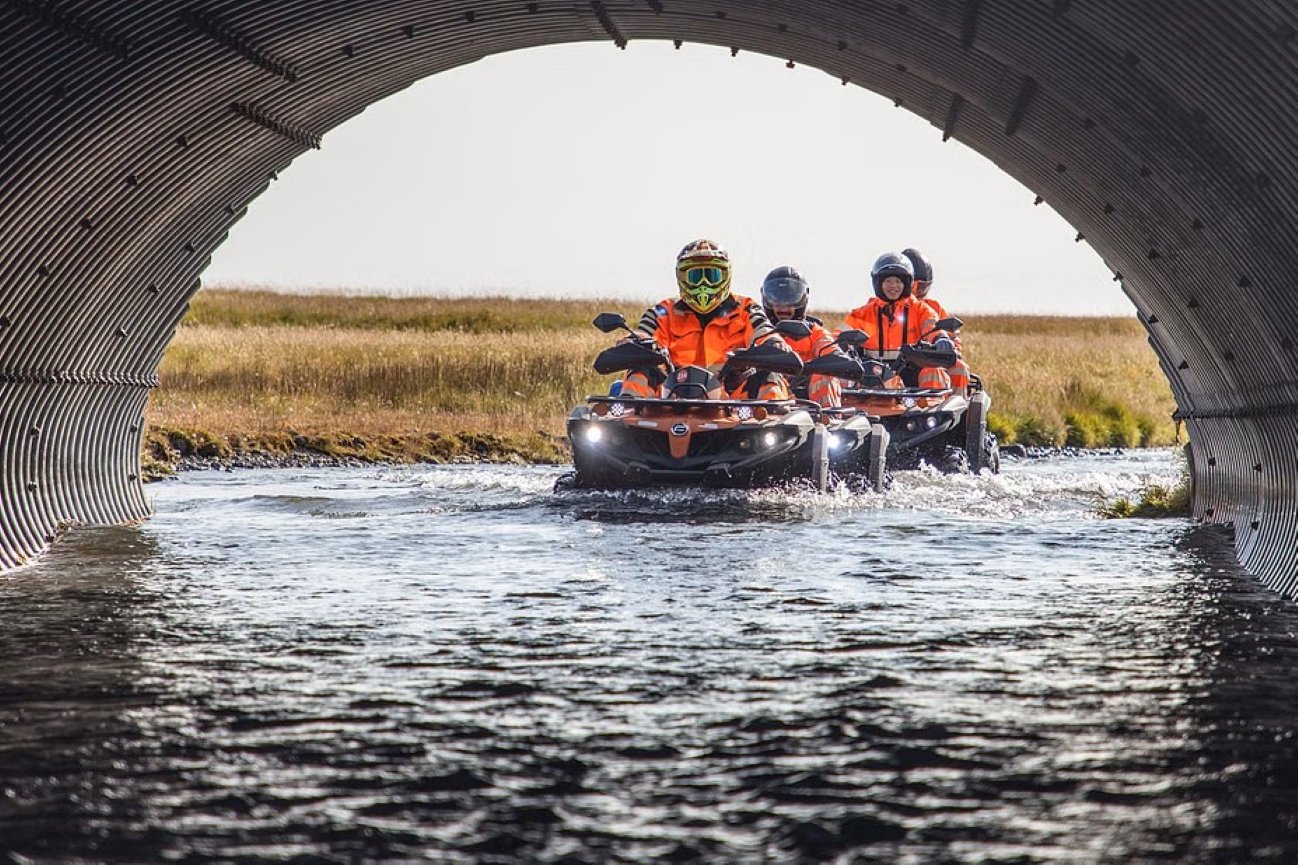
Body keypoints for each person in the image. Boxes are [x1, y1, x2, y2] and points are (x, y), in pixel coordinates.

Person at [618, 239, 790, 399]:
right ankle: (626, 421)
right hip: (671, 396)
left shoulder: (745, 308)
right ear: (682, 278)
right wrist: (630, 343)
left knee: (769, 375)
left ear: (725, 276)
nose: (704, 283)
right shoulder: (663, 311)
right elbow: (643, 333)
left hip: (732, 399)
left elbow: (764, 331)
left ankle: (774, 425)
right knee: (639, 371)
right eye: (695, 276)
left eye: (711, 276)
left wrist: (774, 342)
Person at [839, 252, 952, 391]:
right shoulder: (862, 313)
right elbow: (838, 336)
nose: (893, 286)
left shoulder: (920, 310)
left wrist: (941, 338)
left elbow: (932, 326)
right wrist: (837, 347)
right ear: (878, 283)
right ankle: (834, 413)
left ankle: (934, 413)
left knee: (934, 371)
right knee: (838, 375)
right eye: (888, 281)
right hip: (871, 377)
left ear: (907, 284)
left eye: (898, 281)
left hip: (912, 380)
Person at [758, 265, 845, 407]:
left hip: (809, 405)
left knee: (825, 376)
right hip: (764, 407)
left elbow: (828, 346)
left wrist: (838, 357)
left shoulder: (813, 331)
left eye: (791, 298)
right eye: (776, 299)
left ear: (803, 298)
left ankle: (827, 421)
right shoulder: (756, 329)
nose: (783, 307)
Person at [901, 247, 970, 394]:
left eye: (922, 287)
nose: (917, 292)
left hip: (928, 362)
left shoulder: (934, 308)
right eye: (914, 286)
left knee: (959, 368)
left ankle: (950, 413)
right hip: (895, 363)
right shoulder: (883, 308)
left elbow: (953, 337)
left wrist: (948, 348)